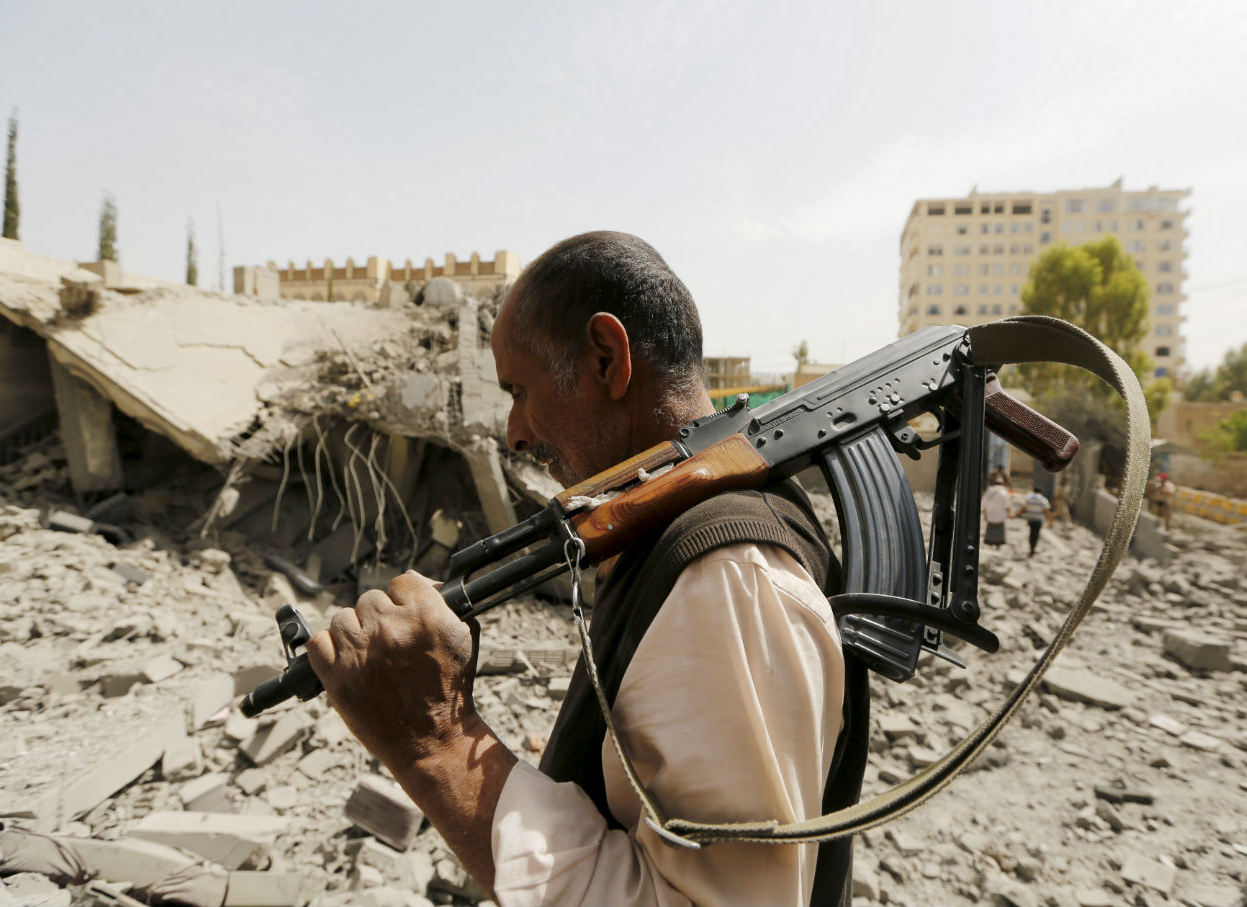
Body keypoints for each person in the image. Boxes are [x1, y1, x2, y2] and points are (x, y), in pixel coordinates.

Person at [305, 232, 856, 906]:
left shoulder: (728, 577)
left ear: (606, 357)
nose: (513, 431)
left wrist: (437, 741)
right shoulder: (674, 535)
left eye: (520, 390)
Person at [1014, 485, 1054, 556]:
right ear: (1041, 492)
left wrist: (1015, 515)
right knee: (1036, 534)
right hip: (1038, 520)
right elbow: (1047, 511)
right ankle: (1033, 548)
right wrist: (1051, 521)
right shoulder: (1043, 499)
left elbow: (1023, 508)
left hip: (1031, 519)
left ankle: (1031, 547)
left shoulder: (1028, 498)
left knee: (1032, 533)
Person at [981, 475, 1014, 547]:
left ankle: (990, 545)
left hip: (990, 514)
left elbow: (984, 504)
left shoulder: (989, 491)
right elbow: (1007, 505)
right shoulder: (1004, 492)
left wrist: (985, 515)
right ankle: (997, 546)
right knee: (999, 532)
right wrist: (1010, 514)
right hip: (1000, 515)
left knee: (990, 530)